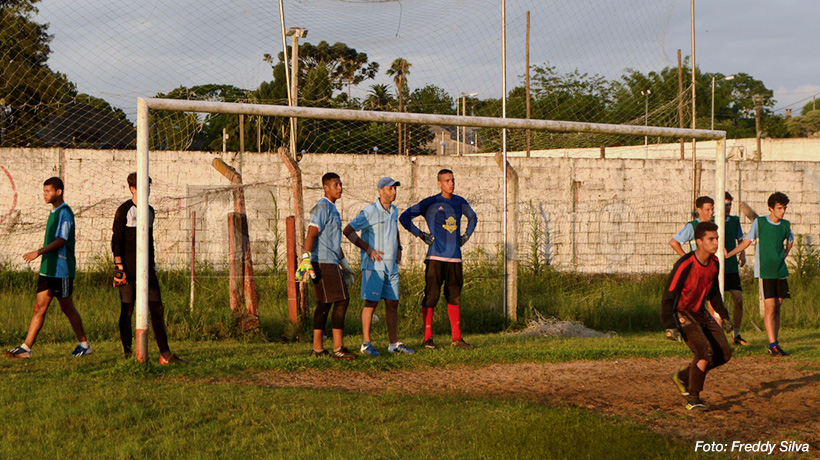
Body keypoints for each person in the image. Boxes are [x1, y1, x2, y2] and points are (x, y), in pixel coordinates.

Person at [4, 177, 90, 359]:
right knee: (39, 307)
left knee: (67, 308)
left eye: (48, 191)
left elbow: (62, 240)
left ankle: (84, 344)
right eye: (44, 191)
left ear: (58, 192)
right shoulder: (53, 213)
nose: (45, 194)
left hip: (61, 271)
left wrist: (38, 252)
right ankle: (26, 348)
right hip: (48, 270)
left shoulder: (65, 213)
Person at [112, 173, 186, 364]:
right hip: (128, 270)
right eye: (142, 187)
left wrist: (152, 265)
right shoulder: (124, 210)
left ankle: (165, 354)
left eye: (149, 187)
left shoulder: (150, 211)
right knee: (127, 310)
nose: (147, 191)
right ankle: (129, 354)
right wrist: (119, 268)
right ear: (132, 189)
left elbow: (150, 241)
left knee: (157, 308)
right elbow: (116, 240)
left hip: (146, 271)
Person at [399, 169, 477, 349]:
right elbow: (404, 217)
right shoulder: (431, 202)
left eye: (453, 180)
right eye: (447, 180)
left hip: (455, 259)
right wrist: (421, 235)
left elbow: (473, 217)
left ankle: (456, 339)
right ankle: (428, 338)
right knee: (431, 296)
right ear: (439, 183)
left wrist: (466, 236)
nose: (451, 183)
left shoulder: (459, 202)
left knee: (455, 297)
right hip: (435, 257)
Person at [661, 221, 733, 411]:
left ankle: (684, 376)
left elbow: (714, 293)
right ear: (699, 241)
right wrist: (670, 325)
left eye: (717, 238)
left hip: (699, 312)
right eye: (711, 239)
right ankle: (693, 398)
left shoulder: (715, 263)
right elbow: (669, 294)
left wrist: (724, 316)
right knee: (704, 352)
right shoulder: (685, 264)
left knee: (724, 353)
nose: (716, 243)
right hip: (681, 313)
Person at [343, 177, 415, 356]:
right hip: (374, 267)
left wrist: (398, 246)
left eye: (395, 189)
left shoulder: (394, 210)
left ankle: (393, 343)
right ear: (380, 191)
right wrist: (368, 249)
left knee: (393, 303)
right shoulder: (370, 212)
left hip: (391, 266)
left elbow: (395, 228)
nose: (394, 192)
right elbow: (348, 231)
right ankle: (366, 344)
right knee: (371, 303)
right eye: (390, 189)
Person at [668, 194, 748, 345]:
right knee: (706, 304)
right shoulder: (693, 226)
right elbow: (674, 242)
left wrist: (737, 252)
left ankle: (732, 334)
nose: (711, 212)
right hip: (702, 272)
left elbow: (735, 240)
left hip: (721, 267)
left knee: (734, 299)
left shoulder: (717, 224)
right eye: (708, 209)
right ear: (699, 210)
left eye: (712, 209)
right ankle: (710, 336)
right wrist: (688, 260)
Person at [297, 172, 357, 360]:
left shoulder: (333, 209)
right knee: (341, 300)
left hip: (331, 261)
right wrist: (306, 259)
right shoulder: (322, 207)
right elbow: (311, 234)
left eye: (340, 184)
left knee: (325, 304)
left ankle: (318, 349)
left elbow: (332, 241)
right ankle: (337, 348)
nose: (339, 188)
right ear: (326, 187)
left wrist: (345, 263)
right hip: (322, 263)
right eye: (335, 185)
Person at [726, 192, 793, 357]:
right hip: (766, 271)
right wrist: (729, 254)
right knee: (770, 307)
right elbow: (747, 242)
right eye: (779, 208)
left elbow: (790, 240)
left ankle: (775, 342)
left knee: (778, 306)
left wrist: (784, 254)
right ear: (771, 208)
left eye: (784, 208)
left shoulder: (785, 224)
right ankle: (772, 344)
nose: (782, 211)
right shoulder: (760, 223)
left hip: (780, 271)